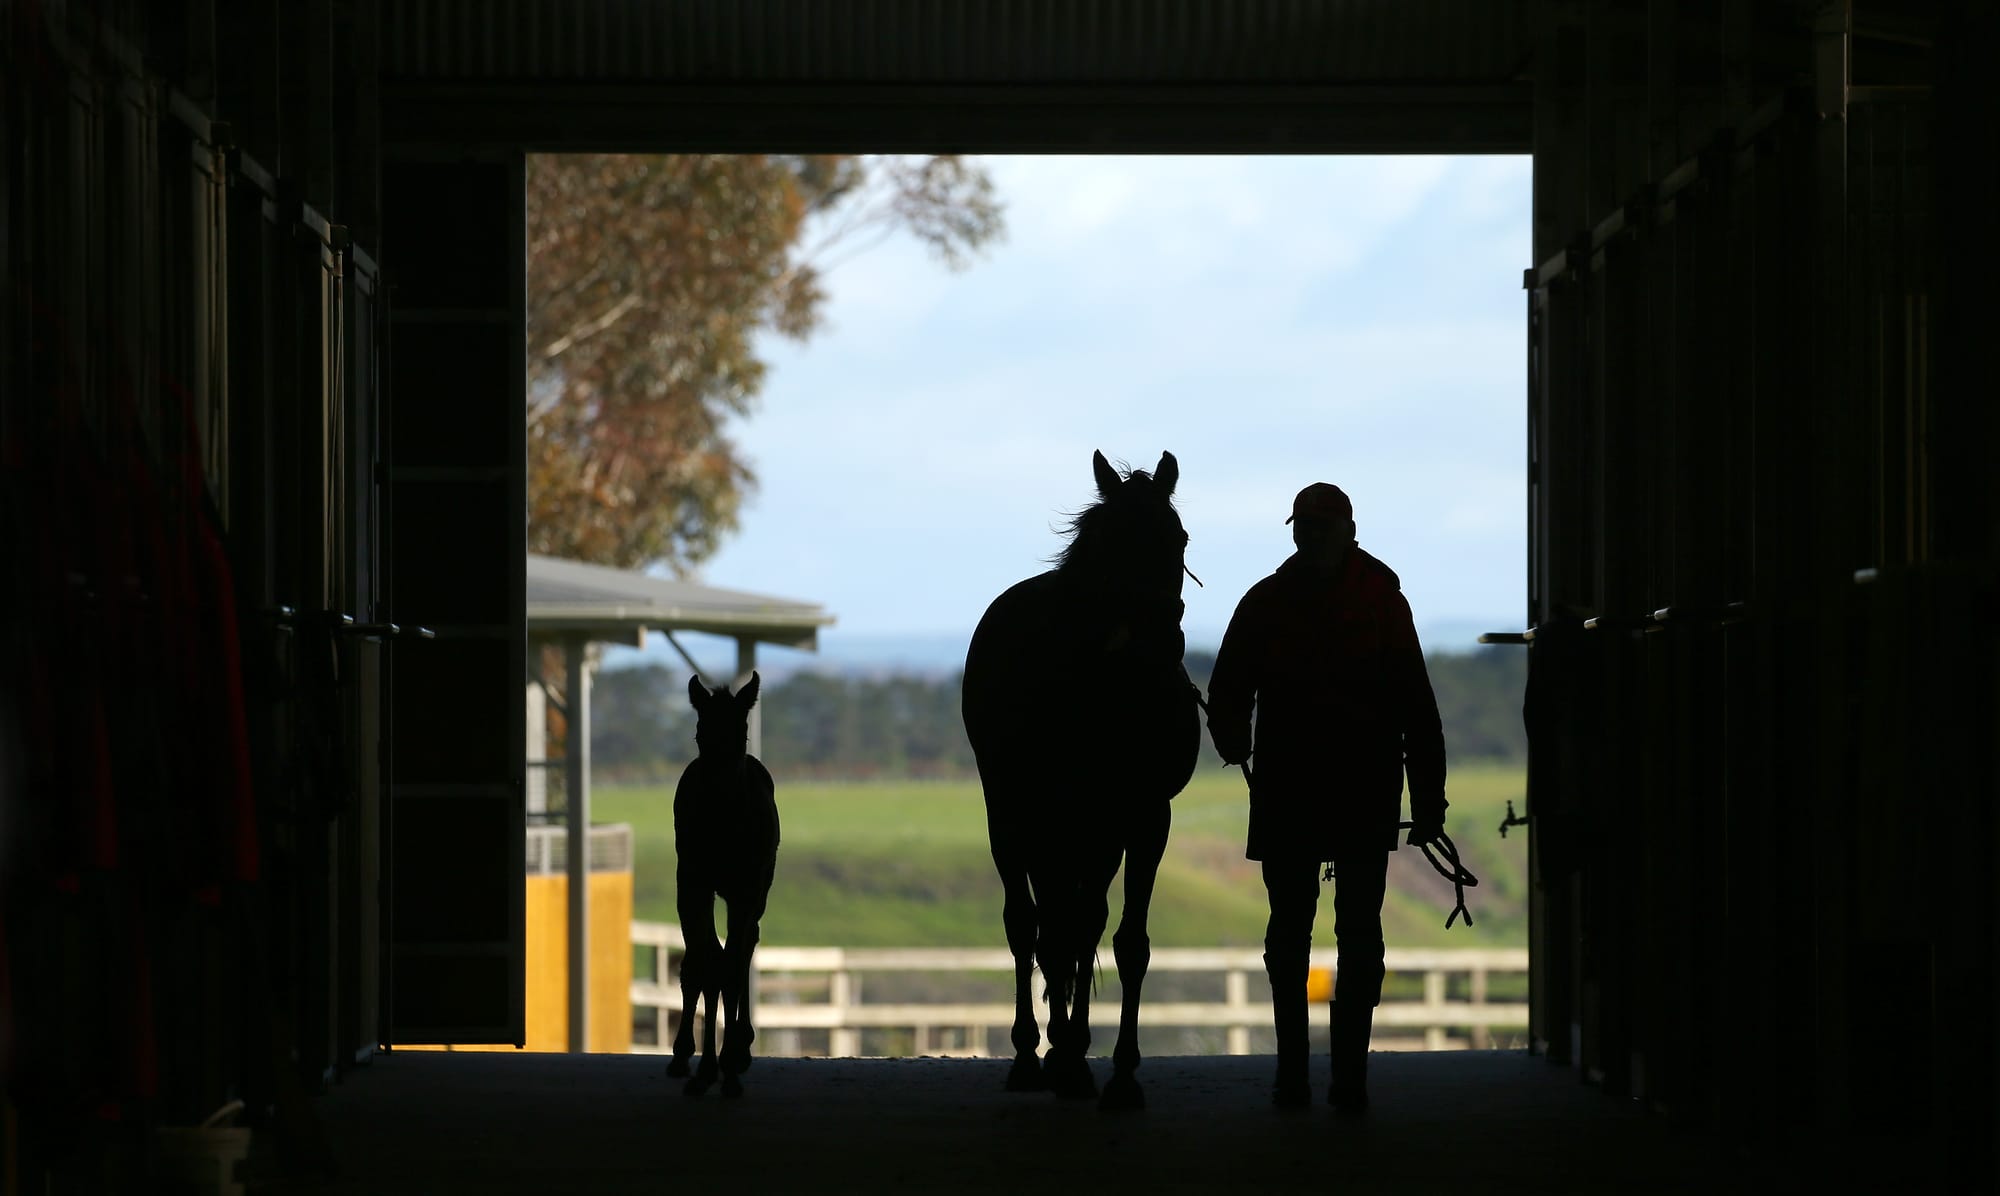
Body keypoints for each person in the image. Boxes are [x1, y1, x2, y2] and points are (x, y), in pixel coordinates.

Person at [1205, 482, 1447, 1112]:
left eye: (1315, 527)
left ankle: (1304, 1077)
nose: (1307, 537)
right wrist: (1427, 803)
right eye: (1303, 528)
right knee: (1347, 934)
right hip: (1358, 792)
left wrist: (1234, 739)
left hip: (1295, 790)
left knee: (1301, 933)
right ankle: (1342, 1080)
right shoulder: (1379, 603)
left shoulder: (1269, 601)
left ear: (1341, 529)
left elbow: (1229, 688)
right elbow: (1416, 708)